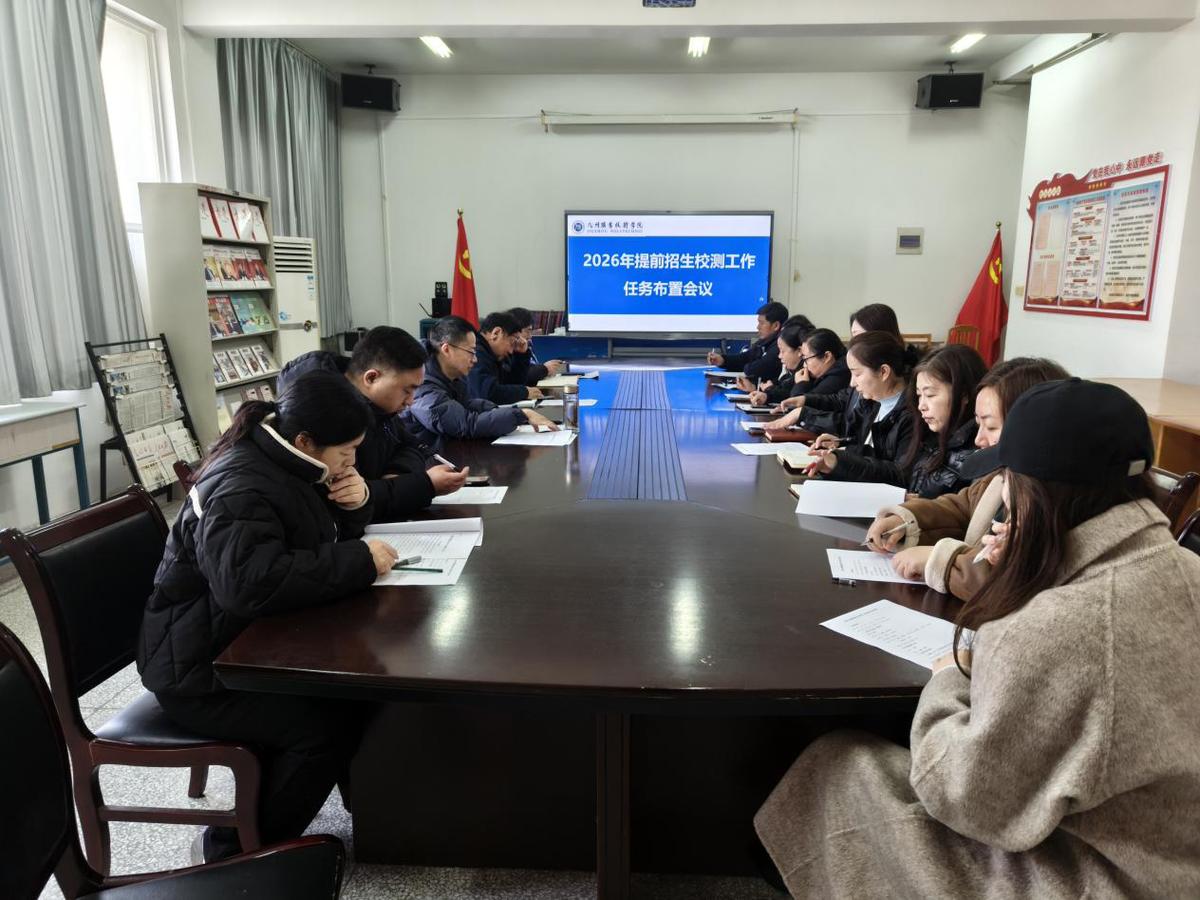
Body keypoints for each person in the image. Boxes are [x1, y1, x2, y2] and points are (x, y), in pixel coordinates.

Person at [755, 378, 1200, 899]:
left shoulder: (1062, 627)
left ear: (1032, 490)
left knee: (841, 763)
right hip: (1173, 857)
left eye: (1007, 478)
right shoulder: (1187, 568)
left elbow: (966, 800)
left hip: (1099, 875)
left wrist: (949, 679)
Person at [137, 371, 402, 864]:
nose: (353, 460)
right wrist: (357, 561)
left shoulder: (291, 464)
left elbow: (309, 539)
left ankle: (377, 809)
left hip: (242, 642)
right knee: (326, 726)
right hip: (201, 671)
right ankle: (233, 853)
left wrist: (354, 504)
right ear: (305, 441)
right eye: (347, 451)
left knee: (363, 686)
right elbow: (249, 584)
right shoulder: (241, 485)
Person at [865, 357, 1069, 598]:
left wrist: (939, 561)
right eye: (978, 424)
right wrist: (905, 521)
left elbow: (1011, 578)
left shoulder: (1054, 503)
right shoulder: (1001, 475)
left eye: (991, 427)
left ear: (1034, 429)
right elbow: (963, 507)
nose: (979, 440)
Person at [277, 326, 467, 522]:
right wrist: (424, 485)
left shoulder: (381, 407)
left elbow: (411, 445)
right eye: (406, 390)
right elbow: (346, 498)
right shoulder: (326, 415)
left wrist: (398, 473)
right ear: (371, 378)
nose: (411, 401)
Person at [404, 315, 557, 443]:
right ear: (446, 349)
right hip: (427, 460)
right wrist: (521, 415)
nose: (475, 359)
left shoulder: (452, 376)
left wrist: (504, 411)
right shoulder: (421, 383)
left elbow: (467, 404)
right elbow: (465, 424)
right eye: (471, 352)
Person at [896, 343, 987, 498]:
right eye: (919, 395)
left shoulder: (978, 452)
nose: (921, 406)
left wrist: (918, 505)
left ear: (964, 394)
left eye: (930, 395)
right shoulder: (930, 436)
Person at [751, 328, 848, 407]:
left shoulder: (839, 375)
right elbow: (789, 392)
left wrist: (801, 384)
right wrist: (767, 397)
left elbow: (801, 405)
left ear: (826, 357)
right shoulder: (821, 372)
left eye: (806, 359)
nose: (804, 365)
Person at [467, 311, 543, 404]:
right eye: (512, 343)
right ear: (496, 333)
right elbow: (487, 394)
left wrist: (521, 355)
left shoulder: (493, 354)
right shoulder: (477, 353)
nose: (511, 351)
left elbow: (511, 383)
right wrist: (524, 392)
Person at [707, 301, 789, 381]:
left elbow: (756, 369)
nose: (758, 327)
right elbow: (745, 358)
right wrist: (723, 360)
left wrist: (748, 365)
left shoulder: (780, 346)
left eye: (762, 323)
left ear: (776, 326)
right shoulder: (763, 342)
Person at [504, 306, 565, 387]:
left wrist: (545, 368)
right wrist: (545, 369)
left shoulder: (524, 346)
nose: (530, 336)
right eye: (527, 331)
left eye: (531, 331)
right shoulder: (505, 352)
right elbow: (523, 375)